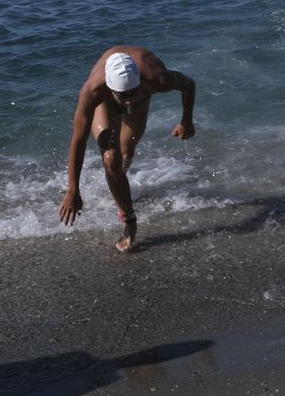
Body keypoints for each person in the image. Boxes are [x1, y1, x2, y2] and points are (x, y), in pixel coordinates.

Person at [60, 48, 196, 253]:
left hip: (142, 93)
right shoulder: (93, 91)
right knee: (111, 157)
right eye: (124, 96)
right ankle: (129, 219)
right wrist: (73, 190)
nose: (129, 101)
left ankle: (117, 184)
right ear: (110, 86)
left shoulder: (157, 79)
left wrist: (186, 121)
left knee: (125, 154)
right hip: (106, 103)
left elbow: (189, 85)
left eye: (132, 93)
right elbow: (78, 140)